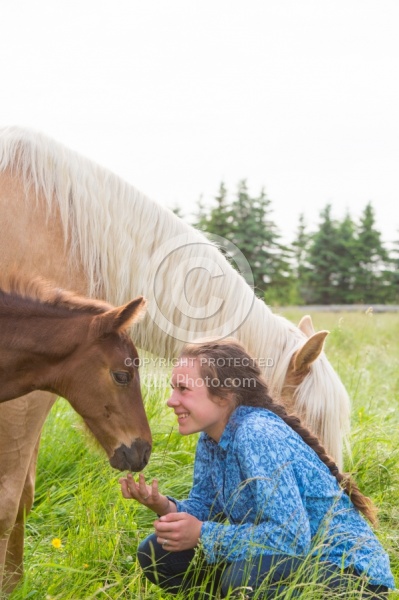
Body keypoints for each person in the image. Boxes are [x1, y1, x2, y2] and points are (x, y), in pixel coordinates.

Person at [120, 338, 395, 599]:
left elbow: (291, 539)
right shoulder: (212, 437)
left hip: (350, 577)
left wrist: (203, 533)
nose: (171, 400)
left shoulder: (257, 434)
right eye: (173, 387)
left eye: (183, 389)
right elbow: (204, 507)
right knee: (157, 552)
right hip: (289, 563)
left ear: (224, 395)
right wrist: (165, 507)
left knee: (242, 579)